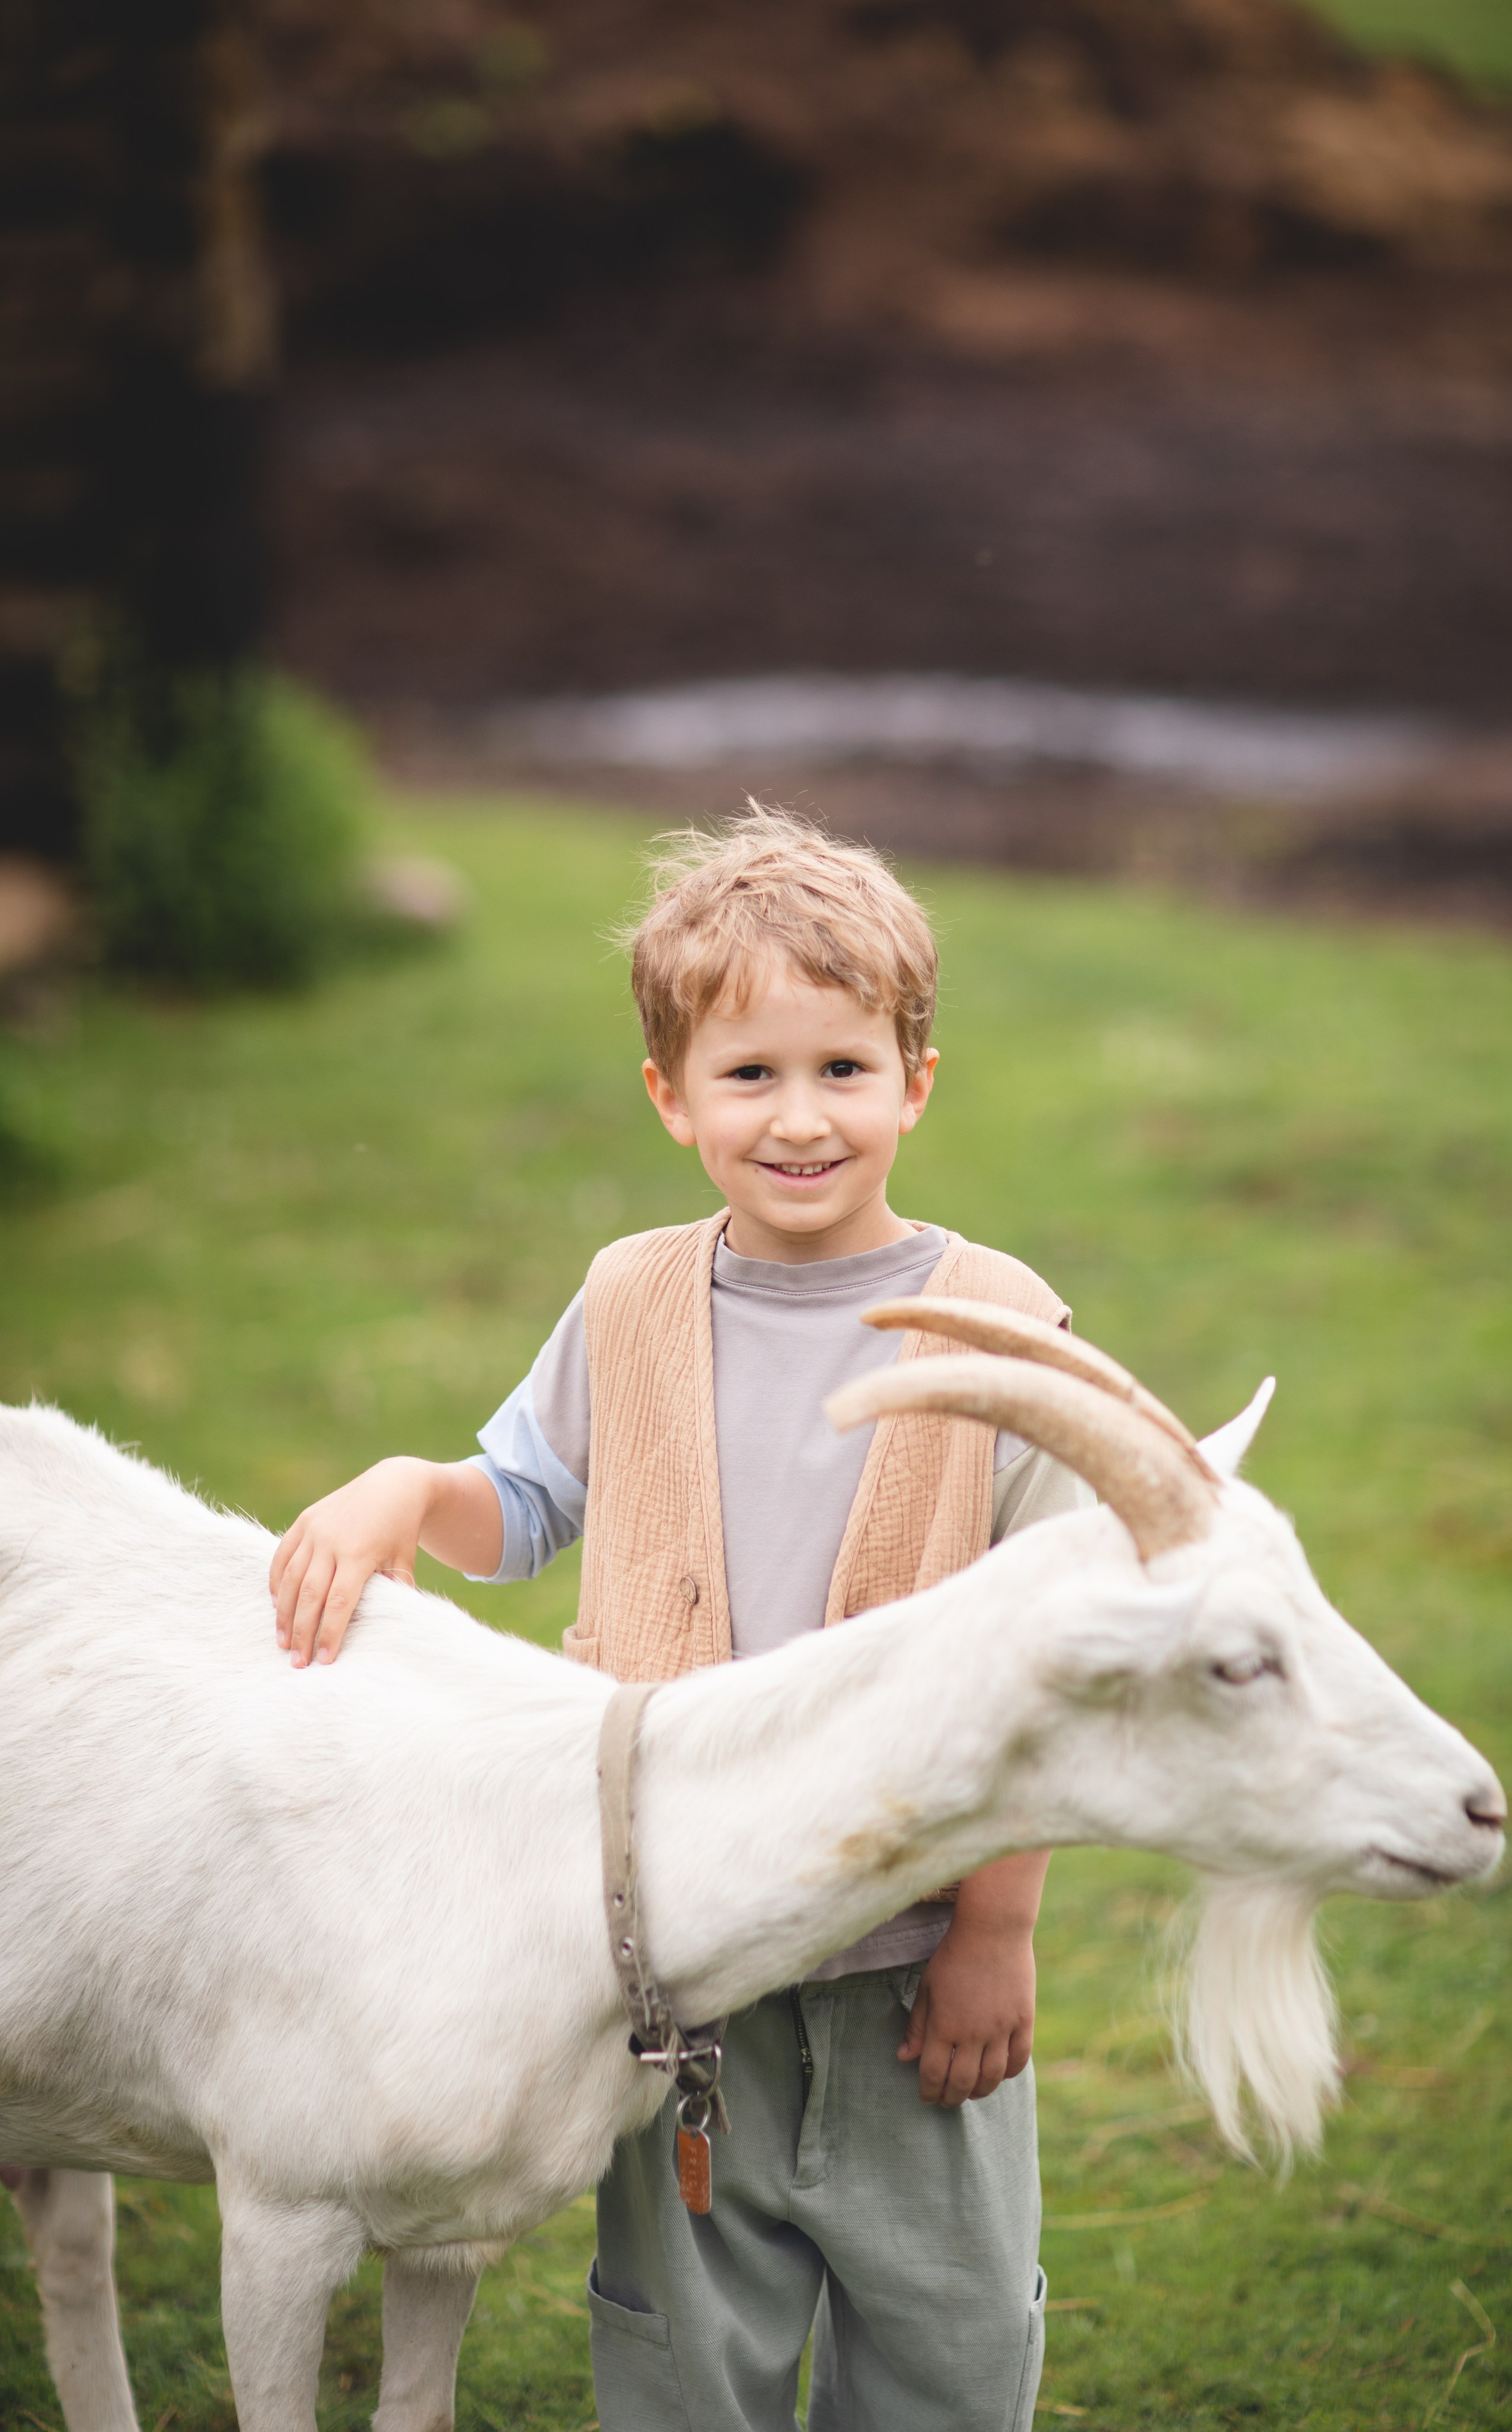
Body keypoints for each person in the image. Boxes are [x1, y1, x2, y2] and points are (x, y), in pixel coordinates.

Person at [270, 804, 1083, 2432]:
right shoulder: (630, 1300)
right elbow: (525, 1500)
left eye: (843, 1069)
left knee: (946, 2347)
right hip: (681, 1971)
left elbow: (1051, 1663)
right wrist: (406, 1490)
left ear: (915, 1082)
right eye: (749, 1074)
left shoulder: (1000, 1332)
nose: (800, 1117)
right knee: (681, 2358)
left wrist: (993, 1934)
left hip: (910, 1975)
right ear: (670, 1096)